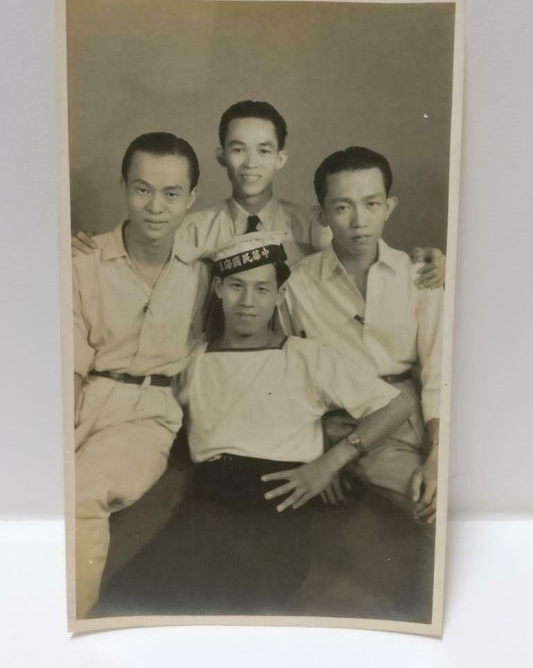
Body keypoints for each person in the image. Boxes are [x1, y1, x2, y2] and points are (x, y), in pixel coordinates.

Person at [94, 232, 414, 616]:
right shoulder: (193, 361)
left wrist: (329, 465)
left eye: (262, 289)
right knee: (125, 600)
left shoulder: (305, 356)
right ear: (217, 288)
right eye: (236, 287)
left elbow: (396, 404)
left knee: (227, 599)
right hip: (207, 503)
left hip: (275, 510)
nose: (248, 302)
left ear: (280, 294)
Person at [71, 100, 446, 286]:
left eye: (264, 150)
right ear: (221, 155)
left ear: (281, 157)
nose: (251, 163)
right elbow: (142, 257)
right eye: (238, 149)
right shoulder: (192, 228)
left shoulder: (314, 226)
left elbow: (362, 254)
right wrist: (84, 247)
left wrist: (434, 267)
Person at [73, 132, 209, 618]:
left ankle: (71, 628)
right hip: (81, 399)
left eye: (172, 194)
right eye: (142, 189)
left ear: (192, 199)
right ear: (124, 187)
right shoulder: (82, 259)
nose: (155, 207)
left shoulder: (205, 271)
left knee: (81, 495)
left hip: (149, 414)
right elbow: (67, 360)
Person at [279, 146, 444, 523]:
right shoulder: (298, 286)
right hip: (360, 428)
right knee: (435, 505)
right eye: (342, 207)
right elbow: (290, 377)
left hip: (423, 411)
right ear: (321, 214)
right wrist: (316, 451)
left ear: (389, 206)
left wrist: (438, 455)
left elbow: (438, 376)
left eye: (371, 204)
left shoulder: (419, 275)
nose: (359, 221)